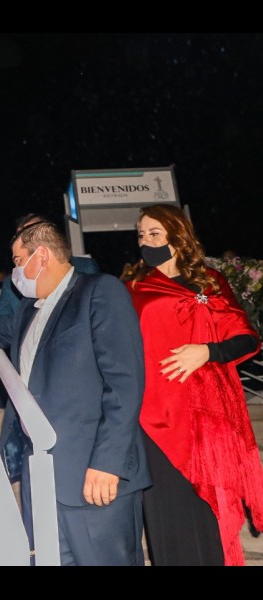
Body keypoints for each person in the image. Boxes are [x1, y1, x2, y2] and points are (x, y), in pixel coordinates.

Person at [0, 220, 150, 566]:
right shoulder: (29, 309)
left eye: (17, 260)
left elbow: (125, 383)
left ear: (41, 256)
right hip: (41, 477)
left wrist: (107, 462)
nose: (14, 272)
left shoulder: (99, 292)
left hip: (93, 476)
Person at [128, 204, 263, 566]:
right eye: (141, 235)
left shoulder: (209, 281)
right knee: (169, 517)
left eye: (154, 233)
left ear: (177, 236)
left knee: (210, 513)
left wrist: (207, 351)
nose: (146, 241)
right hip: (154, 416)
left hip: (208, 415)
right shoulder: (133, 287)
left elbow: (246, 338)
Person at [0, 214, 100, 320]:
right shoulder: (13, 283)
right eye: (19, 236)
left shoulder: (87, 269)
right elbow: (2, 323)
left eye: (31, 233)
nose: (24, 241)